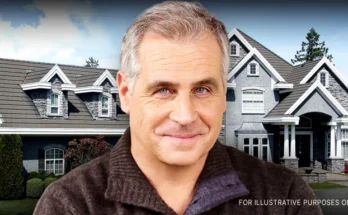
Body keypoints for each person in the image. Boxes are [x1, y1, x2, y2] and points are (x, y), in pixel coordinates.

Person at [34, 1, 322, 215]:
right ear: (125, 93)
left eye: (202, 89)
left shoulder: (285, 197)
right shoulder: (70, 204)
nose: (185, 116)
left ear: (223, 95)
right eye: (163, 90)